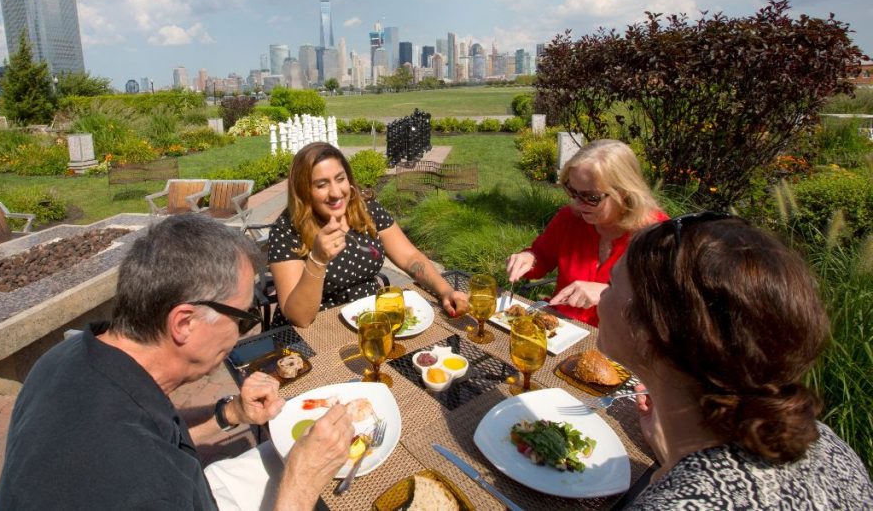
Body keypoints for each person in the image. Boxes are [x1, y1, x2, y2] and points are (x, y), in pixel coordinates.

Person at [0, 214, 355, 511]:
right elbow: (146, 466)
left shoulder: (70, 356)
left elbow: (156, 434)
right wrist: (301, 485)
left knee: (280, 456)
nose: (241, 334)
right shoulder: (148, 486)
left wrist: (232, 414)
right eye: (243, 318)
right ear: (184, 322)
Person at [598, 213, 872, 508]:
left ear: (650, 332)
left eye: (612, 284)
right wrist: (673, 460)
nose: (601, 294)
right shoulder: (826, 443)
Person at [268, 142, 468, 328]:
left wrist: (445, 291)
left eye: (340, 179)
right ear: (304, 191)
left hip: (371, 320)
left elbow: (410, 257)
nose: (336, 193)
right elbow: (300, 318)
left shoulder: (366, 210)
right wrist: (317, 260)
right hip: (317, 330)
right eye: (321, 185)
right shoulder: (286, 230)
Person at [505, 139, 666, 326]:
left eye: (591, 197)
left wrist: (608, 293)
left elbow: (666, 306)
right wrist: (529, 258)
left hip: (619, 344)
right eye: (572, 191)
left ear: (624, 192)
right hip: (560, 330)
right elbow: (542, 255)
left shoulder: (657, 236)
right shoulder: (570, 218)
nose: (578, 204)